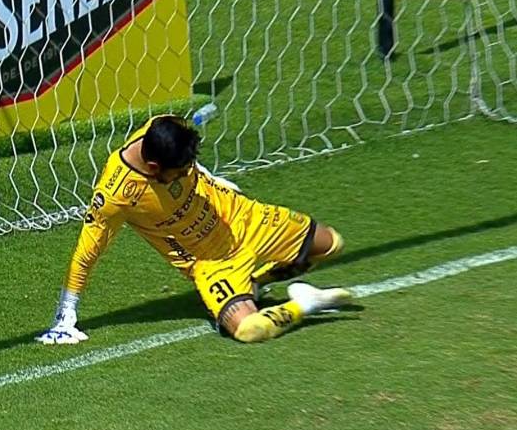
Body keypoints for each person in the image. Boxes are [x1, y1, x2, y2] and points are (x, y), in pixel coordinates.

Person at [37, 115, 352, 345]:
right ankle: (305, 303)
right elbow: (87, 251)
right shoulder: (117, 195)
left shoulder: (163, 126)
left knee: (331, 244)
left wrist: (209, 176)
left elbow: (190, 158)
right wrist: (67, 314)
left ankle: (254, 284)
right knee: (249, 330)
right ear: (154, 169)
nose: (186, 174)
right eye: (180, 173)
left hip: (242, 216)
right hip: (210, 261)